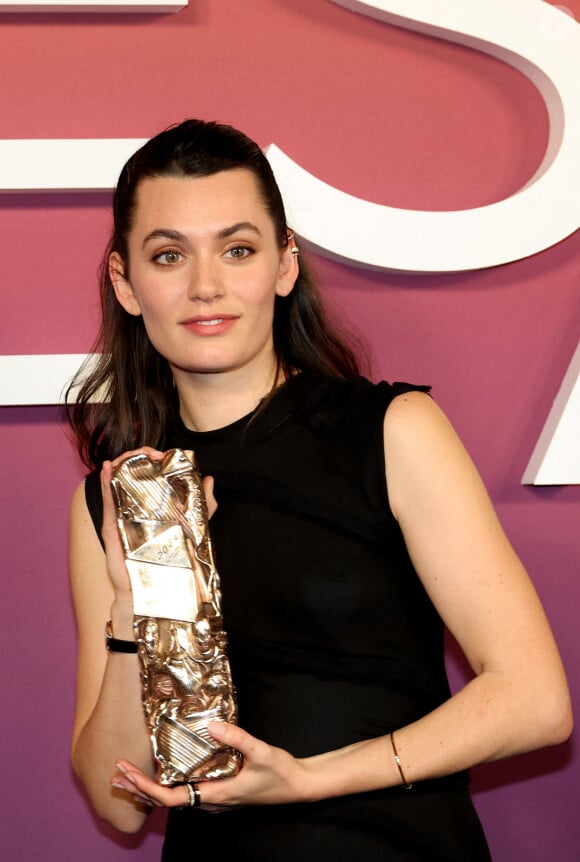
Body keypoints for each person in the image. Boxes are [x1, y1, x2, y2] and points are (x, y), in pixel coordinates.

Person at [67, 118, 572, 861]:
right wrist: (130, 607)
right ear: (126, 283)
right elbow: (122, 805)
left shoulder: (391, 430)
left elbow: (535, 702)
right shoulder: (117, 493)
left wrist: (308, 779)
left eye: (237, 250)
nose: (206, 285)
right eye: (169, 255)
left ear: (283, 265)